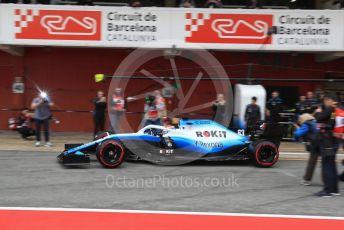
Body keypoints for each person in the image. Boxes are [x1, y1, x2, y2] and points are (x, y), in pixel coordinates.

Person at [314, 94, 339, 197]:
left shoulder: (330, 109)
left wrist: (318, 112)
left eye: (325, 101)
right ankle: (334, 189)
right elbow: (332, 123)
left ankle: (327, 190)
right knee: (332, 164)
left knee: (326, 165)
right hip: (336, 139)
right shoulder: (337, 109)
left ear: (329, 100)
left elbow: (319, 118)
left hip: (327, 140)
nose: (324, 103)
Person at [293, 113, 320, 186]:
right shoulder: (315, 122)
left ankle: (306, 179)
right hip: (324, 143)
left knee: (312, 162)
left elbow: (298, 134)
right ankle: (332, 179)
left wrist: (297, 127)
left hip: (316, 145)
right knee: (328, 163)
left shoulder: (307, 124)